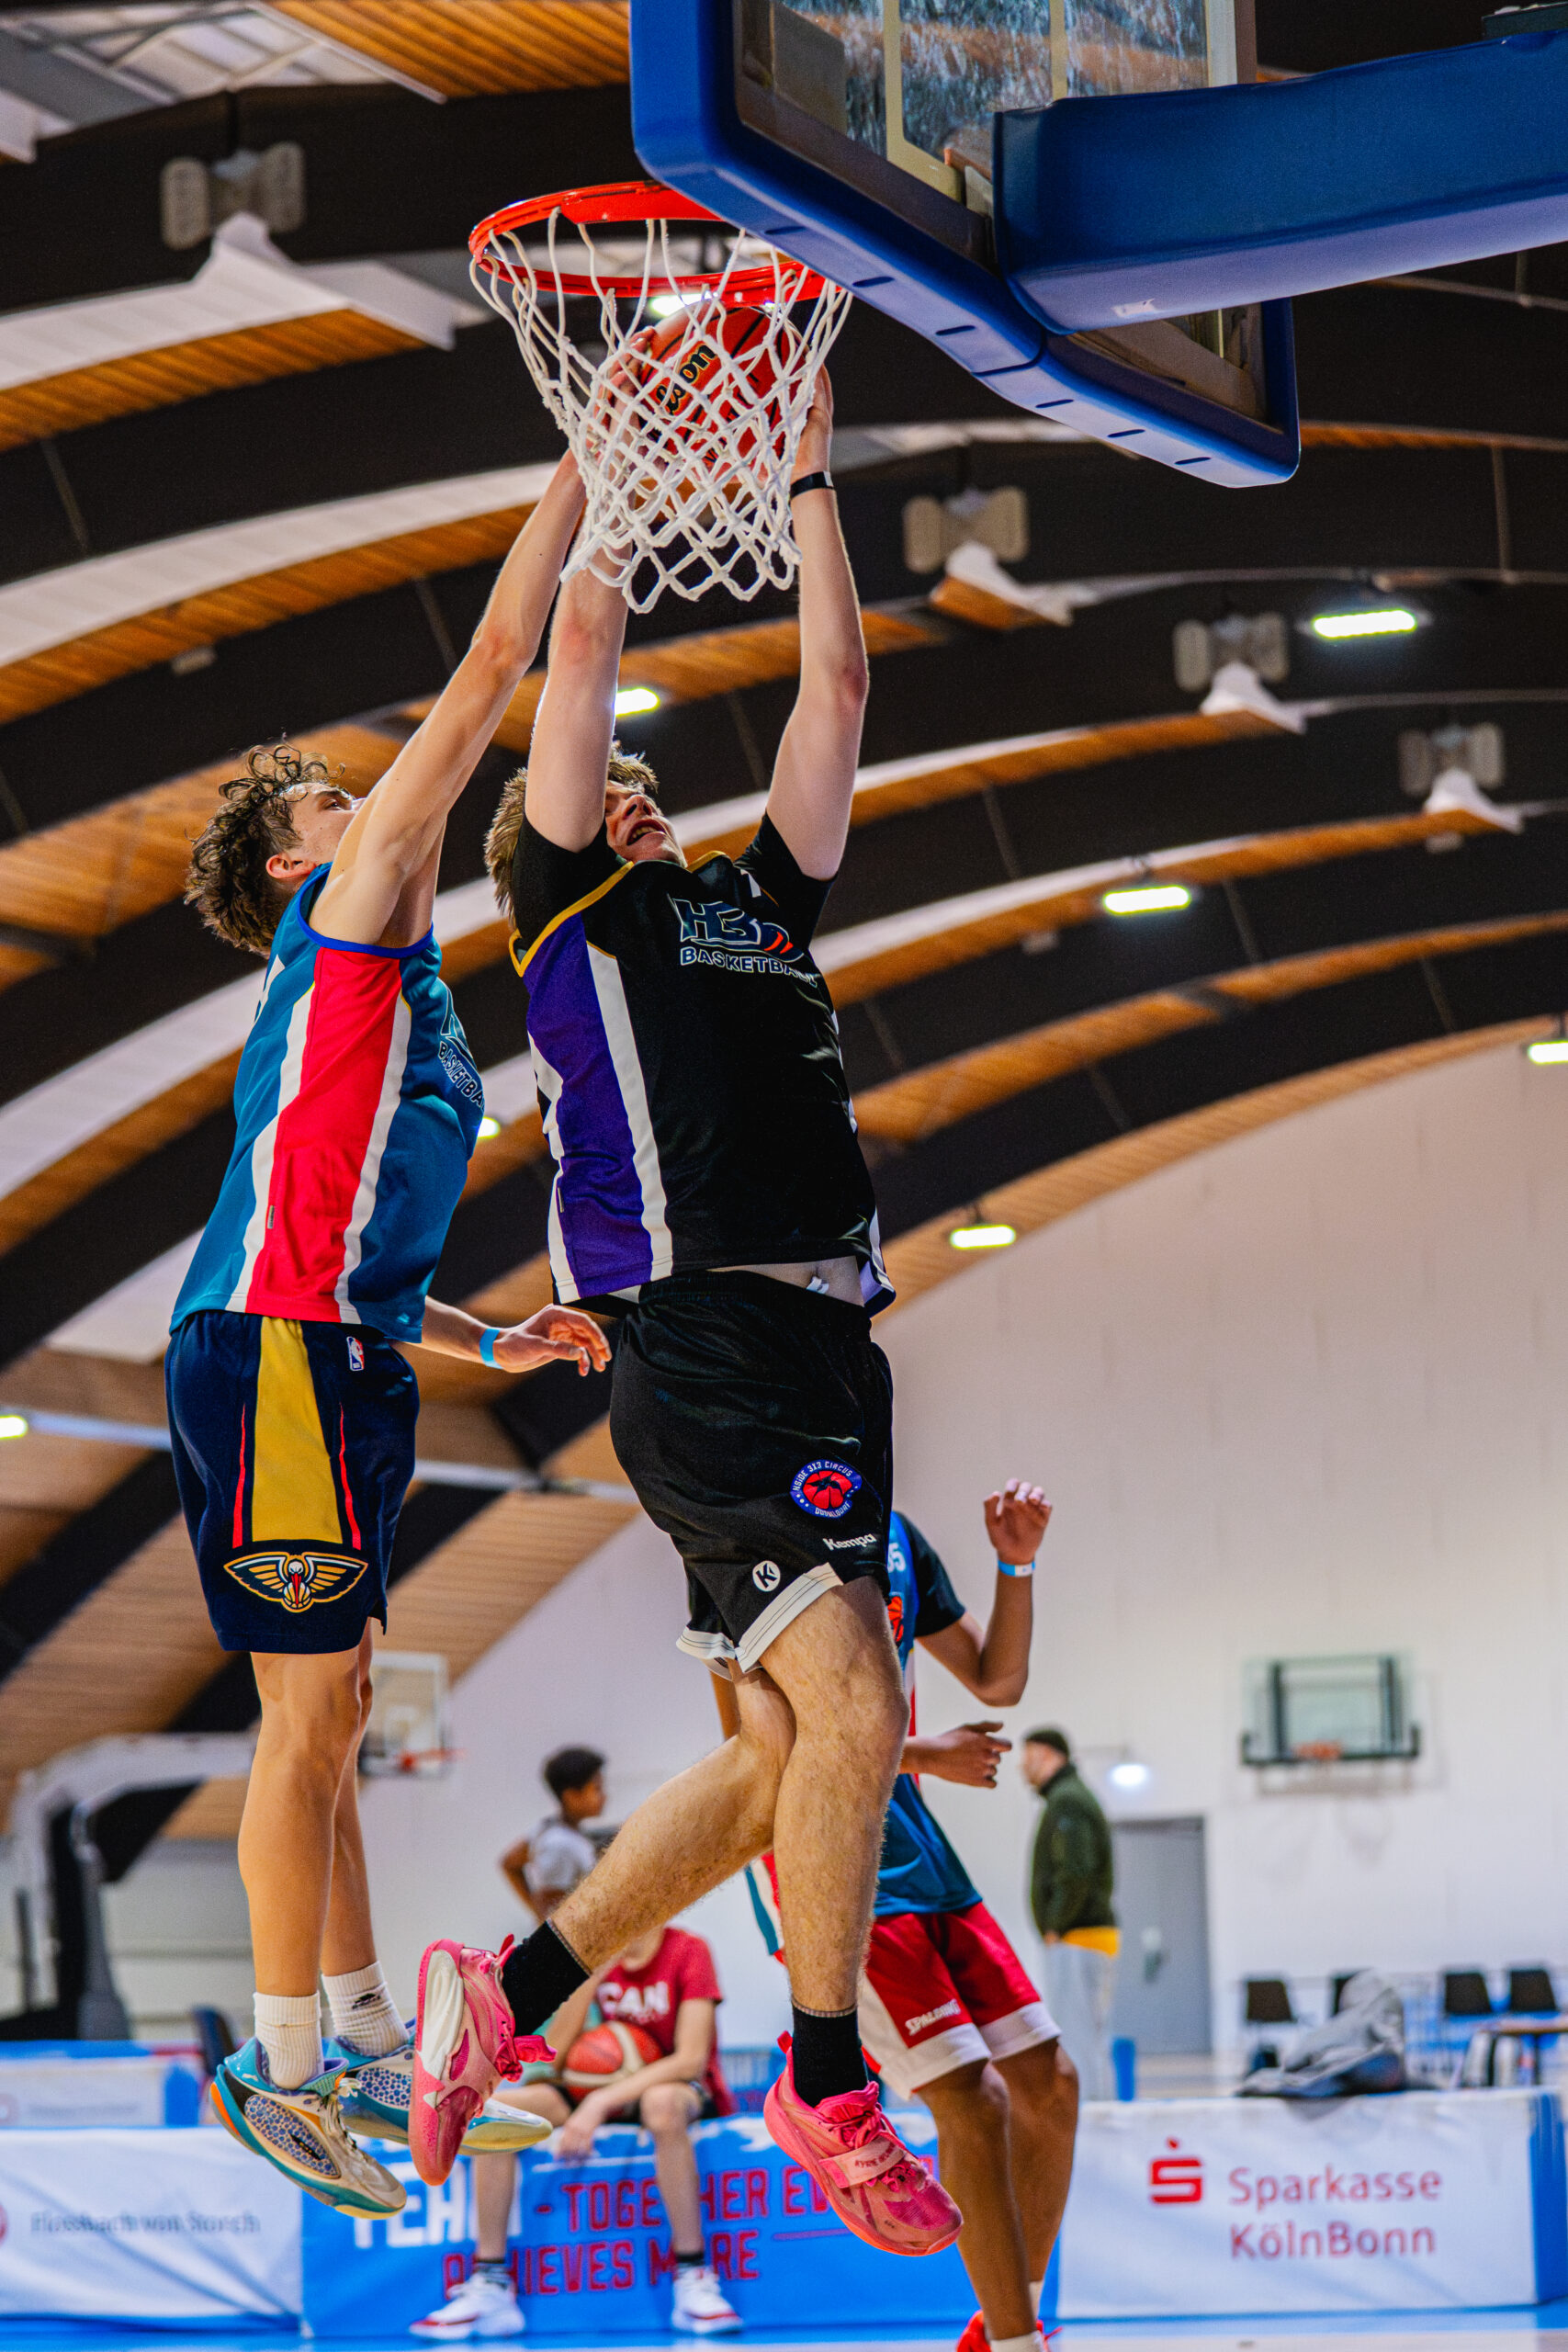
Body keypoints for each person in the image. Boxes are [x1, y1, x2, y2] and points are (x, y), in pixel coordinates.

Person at [408, 368, 961, 2262]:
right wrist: (624, 459)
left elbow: (839, 693)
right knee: (855, 1699)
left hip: (825, 1347)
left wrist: (804, 468)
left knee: (778, 1758)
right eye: (607, 786)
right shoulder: (567, 907)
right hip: (705, 1338)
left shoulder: (758, 905)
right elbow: (576, 647)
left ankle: (510, 1995)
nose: (634, 785)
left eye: (644, 782)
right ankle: (824, 2074)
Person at [167, 455, 612, 2214]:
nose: (371, 802)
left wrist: (486, 1349)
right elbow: (495, 662)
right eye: (337, 801)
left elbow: (355, 1245)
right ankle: (281, 2073)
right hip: (271, 1355)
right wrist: (587, 465)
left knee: (339, 1707)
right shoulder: (343, 924)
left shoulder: (410, 997)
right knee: (302, 1721)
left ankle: (354, 2038)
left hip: (336, 1349)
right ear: (300, 858)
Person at [740, 1482, 1077, 2352]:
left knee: (1049, 2083)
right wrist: (925, 1753)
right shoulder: (740, 1528)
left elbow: (998, 1678)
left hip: (920, 1846)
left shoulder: (891, 1533)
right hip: (825, 1850)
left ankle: (1005, 2323)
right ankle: (1018, 2341)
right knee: (973, 2097)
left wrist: (1015, 1564)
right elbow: (759, 1745)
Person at [413, 1923, 740, 2341]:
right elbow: (553, 2057)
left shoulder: (688, 1949)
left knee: (661, 2105)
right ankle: (491, 2284)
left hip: (675, 2086)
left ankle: (693, 2274)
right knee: (494, 2113)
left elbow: (690, 2059)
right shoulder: (603, 1950)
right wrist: (591, 1974)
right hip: (605, 2085)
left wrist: (599, 2103)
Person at [1022, 1731, 1118, 2102]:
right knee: (1088, 2037)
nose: (1022, 1766)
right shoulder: (1069, 1798)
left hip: (1077, 1935)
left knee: (1078, 2040)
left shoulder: (1068, 1801)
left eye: (1029, 1756)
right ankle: (1095, 2115)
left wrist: (1056, 1926)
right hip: (1082, 1935)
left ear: (1049, 1755)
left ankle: (1089, 2121)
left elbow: (1076, 1870)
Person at [501, 1746, 607, 1923]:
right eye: (597, 1789)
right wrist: (537, 1910)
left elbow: (509, 1861)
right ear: (572, 1796)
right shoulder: (559, 1845)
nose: (604, 1796)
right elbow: (550, 1913)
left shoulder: (550, 1828)